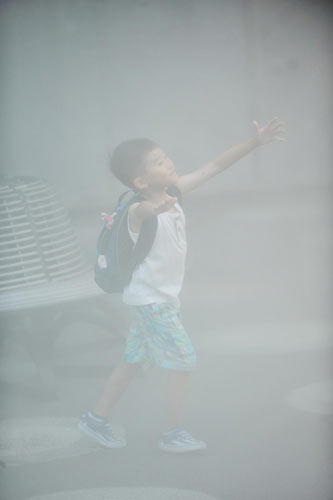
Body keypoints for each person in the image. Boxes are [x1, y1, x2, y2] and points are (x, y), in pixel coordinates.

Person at [78, 117, 285, 453]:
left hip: (153, 300)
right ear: (140, 180)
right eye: (159, 162)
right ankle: (172, 434)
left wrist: (255, 143)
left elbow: (214, 166)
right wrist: (153, 207)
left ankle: (95, 418)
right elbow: (142, 212)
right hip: (152, 303)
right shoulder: (138, 208)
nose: (169, 162)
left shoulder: (172, 192)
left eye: (166, 156)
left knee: (132, 360)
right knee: (183, 360)